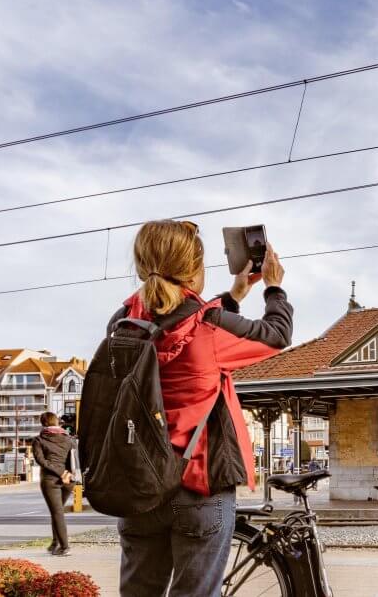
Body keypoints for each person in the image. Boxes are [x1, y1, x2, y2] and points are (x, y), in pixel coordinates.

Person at [109, 220, 292, 597]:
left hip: (137, 487)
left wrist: (233, 296)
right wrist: (273, 288)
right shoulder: (210, 326)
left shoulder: (121, 324)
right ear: (194, 270)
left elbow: (172, 320)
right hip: (198, 486)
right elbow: (276, 335)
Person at [32, 411, 75, 556]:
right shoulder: (69, 439)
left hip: (51, 480)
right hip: (68, 480)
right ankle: (55, 543)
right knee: (57, 511)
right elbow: (75, 460)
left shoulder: (39, 440)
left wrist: (59, 473)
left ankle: (65, 547)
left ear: (43, 423)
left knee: (57, 512)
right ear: (57, 422)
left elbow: (41, 461)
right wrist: (67, 473)